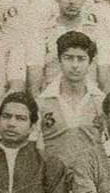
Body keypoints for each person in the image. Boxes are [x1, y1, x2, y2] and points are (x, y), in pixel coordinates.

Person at [26, 0, 110, 96]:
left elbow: (106, 84)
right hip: (52, 101)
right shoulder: (42, 33)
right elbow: (34, 85)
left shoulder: (98, 32)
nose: (72, 1)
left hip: (89, 101)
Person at [35, 31, 104, 169]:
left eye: (81, 59)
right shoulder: (42, 102)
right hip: (53, 177)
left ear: (90, 62)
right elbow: (36, 147)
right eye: (68, 58)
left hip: (89, 177)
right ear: (59, 60)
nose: (75, 65)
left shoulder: (101, 101)